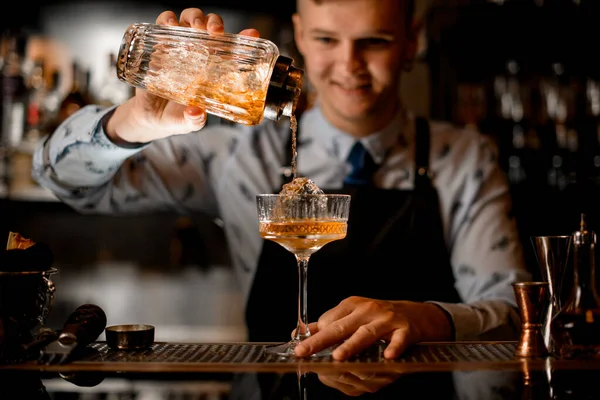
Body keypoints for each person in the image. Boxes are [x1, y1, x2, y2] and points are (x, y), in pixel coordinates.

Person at [32, 0, 531, 361]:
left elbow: (514, 314)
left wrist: (428, 319)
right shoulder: (236, 151)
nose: (349, 65)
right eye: (326, 40)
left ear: (411, 43)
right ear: (299, 33)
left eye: (373, 41)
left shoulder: (463, 158)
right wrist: (135, 122)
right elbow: (62, 179)